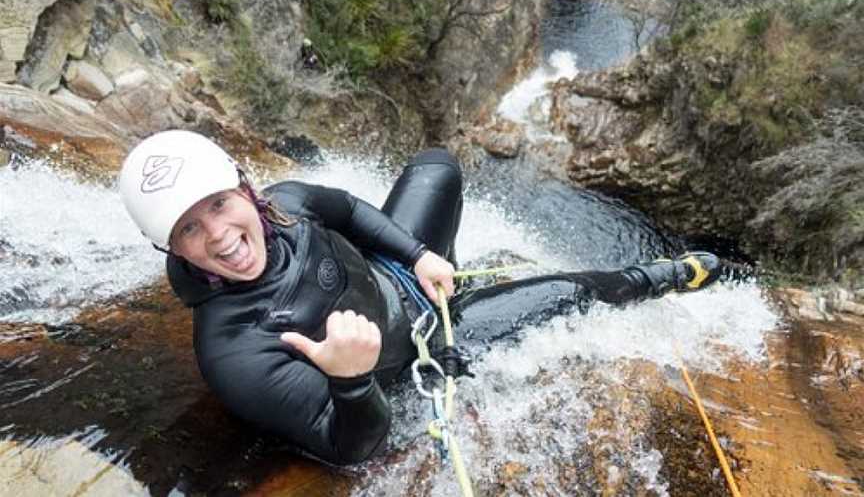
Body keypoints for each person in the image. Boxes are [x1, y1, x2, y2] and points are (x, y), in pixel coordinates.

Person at [118, 130, 723, 465]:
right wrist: (352, 381)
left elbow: (351, 210)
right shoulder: (233, 351)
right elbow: (349, 446)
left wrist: (418, 255)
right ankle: (664, 276)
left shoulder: (289, 202)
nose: (219, 236)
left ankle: (443, 269)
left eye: (219, 205)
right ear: (171, 250)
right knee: (571, 290)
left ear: (245, 190)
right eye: (188, 231)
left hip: (399, 278)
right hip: (416, 350)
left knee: (436, 165)